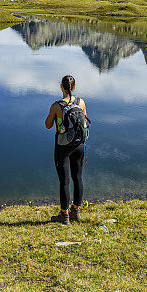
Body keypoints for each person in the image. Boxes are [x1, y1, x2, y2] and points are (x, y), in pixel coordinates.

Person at [44, 74, 86, 225]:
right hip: (79, 145)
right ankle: (76, 210)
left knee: (64, 181)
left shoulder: (56, 106)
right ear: (74, 87)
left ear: (61, 87)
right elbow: (84, 122)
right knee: (78, 178)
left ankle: (64, 214)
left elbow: (48, 125)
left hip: (63, 147)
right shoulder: (81, 102)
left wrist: (56, 117)